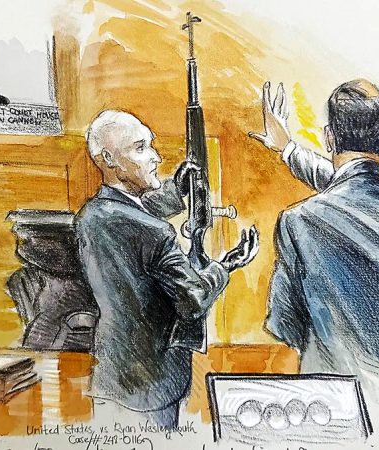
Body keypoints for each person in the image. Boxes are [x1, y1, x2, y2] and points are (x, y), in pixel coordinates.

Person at [250, 80, 379, 419]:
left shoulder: (299, 222)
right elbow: (362, 193)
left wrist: (288, 149)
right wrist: (288, 150)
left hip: (330, 401)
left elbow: (286, 324)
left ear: (329, 138)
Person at [75, 110, 259, 428]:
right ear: (109, 159)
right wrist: (227, 264)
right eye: (140, 148)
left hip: (111, 374)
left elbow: (132, 216)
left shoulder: (90, 216)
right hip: (155, 383)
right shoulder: (155, 233)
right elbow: (194, 299)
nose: (156, 157)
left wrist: (176, 189)